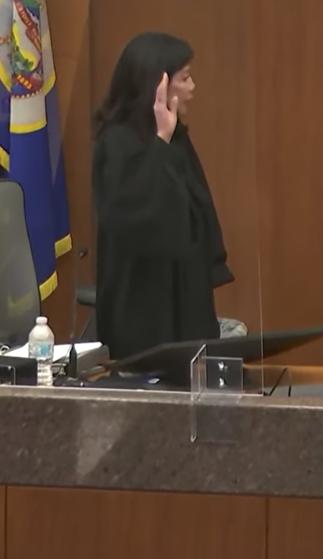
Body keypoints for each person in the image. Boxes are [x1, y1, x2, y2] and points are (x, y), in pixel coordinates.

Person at [92, 32, 234, 359]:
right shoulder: (117, 143)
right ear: (157, 85)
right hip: (142, 315)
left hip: (186, 300)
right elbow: (139, 222)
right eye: (184, 78)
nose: (192, 87)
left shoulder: (174, 138)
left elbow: (194, 214)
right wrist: (160, 143)